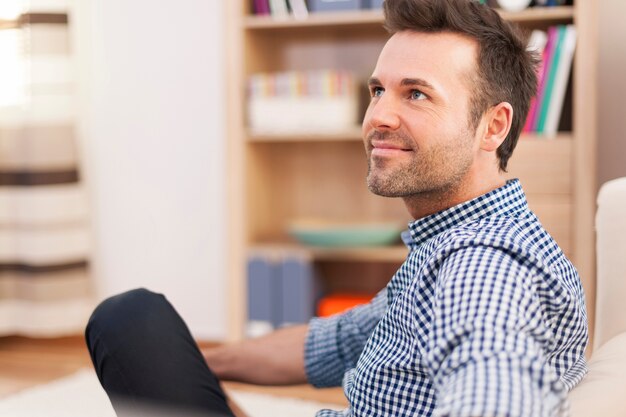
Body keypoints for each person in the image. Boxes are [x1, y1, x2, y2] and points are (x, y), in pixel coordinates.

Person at [85, 0, 588, 416]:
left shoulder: (483, 265)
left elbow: (495, 388)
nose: (377, 117)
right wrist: (193, 366)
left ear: (493, 127)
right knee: (141, 326)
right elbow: (336, 342)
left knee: (127, 316)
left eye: (416, 94)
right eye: (377, 90)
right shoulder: (450, 238)